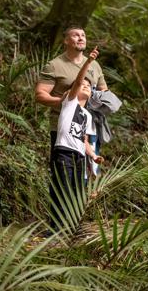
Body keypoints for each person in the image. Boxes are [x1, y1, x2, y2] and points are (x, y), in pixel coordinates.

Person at [49, 46, 103, 229]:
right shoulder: (69, 103)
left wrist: (94, 156)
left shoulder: (87, 115)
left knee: (76, 192)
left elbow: (85, 140)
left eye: (89, 86)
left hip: (79, 155)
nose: (86, 87)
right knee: (61, 189)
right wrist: (88, 62)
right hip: (64, 152)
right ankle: (55, 229)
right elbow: (79, 81)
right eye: (83, 86)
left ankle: (71, 227)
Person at [35, 26, 107, 158]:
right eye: (76, 35)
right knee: (63, 169)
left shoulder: (95, 65)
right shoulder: (55, 65)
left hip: (88, 126)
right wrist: (62, 102)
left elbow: (104, 91)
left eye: (83, 35)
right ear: (66, 41)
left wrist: (104, 104)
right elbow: (40, 94)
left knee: (87, 170)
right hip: (62, 128)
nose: (81, 38)